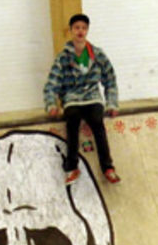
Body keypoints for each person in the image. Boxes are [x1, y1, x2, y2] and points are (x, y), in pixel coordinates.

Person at [43, 13, 120, 185]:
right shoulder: (63, 57)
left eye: (83, 28)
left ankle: (108, 167)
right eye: (77, 28)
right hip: (72, 98)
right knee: (72, 120)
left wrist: (112, 103)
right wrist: (51, 104)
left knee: (97, 121)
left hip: (92, 97)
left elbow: (110, 80)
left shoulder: (97, 54)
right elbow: (51, 83)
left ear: (87, 31)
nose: (80, 31)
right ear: (71, 31)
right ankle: (72, 167)